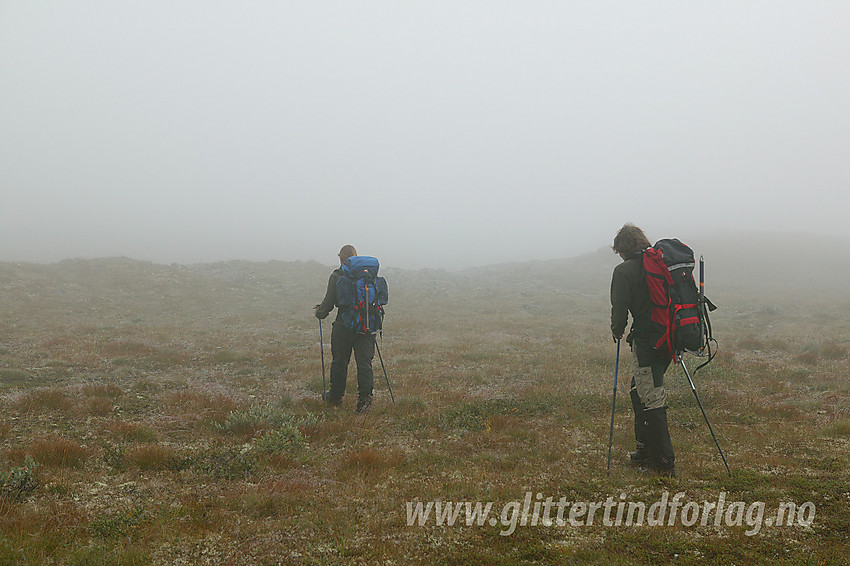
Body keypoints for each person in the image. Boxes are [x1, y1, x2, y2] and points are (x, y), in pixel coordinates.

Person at [610, 223, 675, 476]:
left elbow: (619, 308)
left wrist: (617, 329)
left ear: (623, 249)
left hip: (648, 342)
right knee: (641, 391)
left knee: (651, 398)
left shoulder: (624, 271)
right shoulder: (660, 264)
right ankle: (645, 450)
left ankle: (663, 463)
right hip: (669, 338)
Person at [314, 245, 375, 413]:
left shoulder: (337, 275)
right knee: (364, 363)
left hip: (344, 326)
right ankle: (364, 401)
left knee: (340, 362)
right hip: (366, 325)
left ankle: (335, 396)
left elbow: (329, 303)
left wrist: (320, 313)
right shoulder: (368, 275)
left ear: (341, 258)